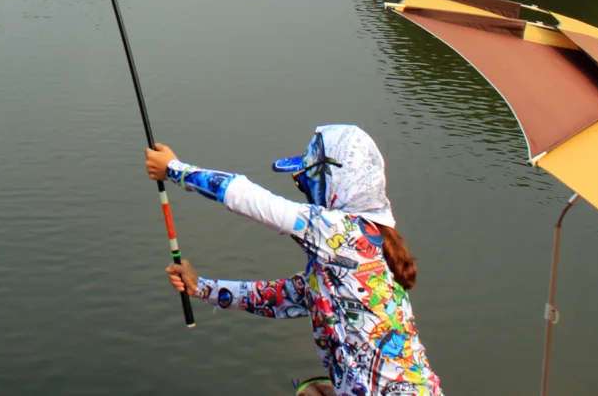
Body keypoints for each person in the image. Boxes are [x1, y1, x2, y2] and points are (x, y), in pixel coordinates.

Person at [145, 124, 444, 396]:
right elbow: (274, 298)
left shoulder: (343, 233)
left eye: (306, 180)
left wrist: (174, 169)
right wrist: (201, 287)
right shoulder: (349, 260)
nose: (302, 188)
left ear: (334, 182)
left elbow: (249, 198)